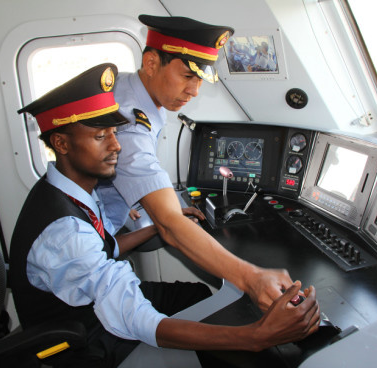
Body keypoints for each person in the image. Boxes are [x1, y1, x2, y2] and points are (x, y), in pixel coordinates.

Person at [10, 63, 320, 367]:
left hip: (91, 307)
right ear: (61, 143)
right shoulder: (65, 232)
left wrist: (154, 228)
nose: (117, 145)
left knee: (197, 296)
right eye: (100, 137)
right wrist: (256, 337)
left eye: (114, 132)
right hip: (84, 344)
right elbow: (139, 321)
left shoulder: (70, 189)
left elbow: (104, 248)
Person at [97, 14, 312, 313]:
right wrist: (251, 277)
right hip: (89, 268)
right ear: (150, 64)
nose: (194, 91)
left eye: (200, 79)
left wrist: (133, 197)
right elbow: (170, 227)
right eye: (187, 76)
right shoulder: (131, 123)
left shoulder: (124, 86)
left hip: (101, 236)